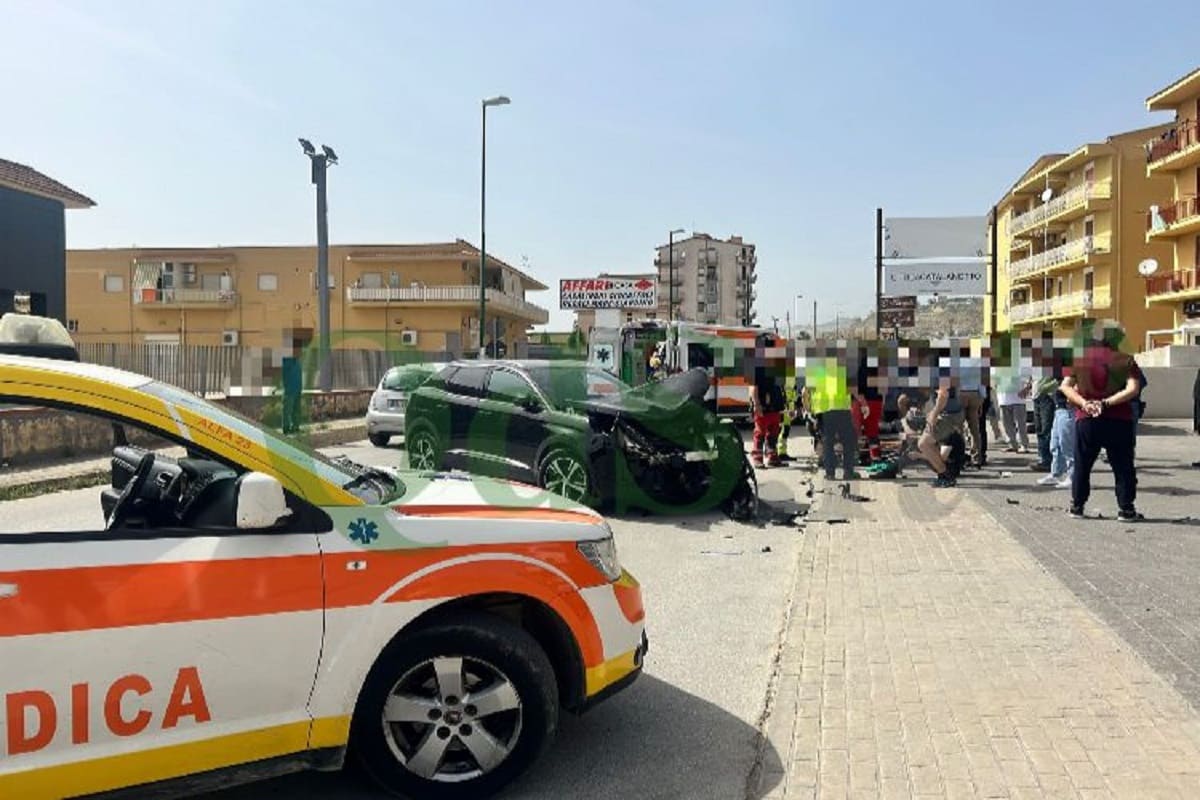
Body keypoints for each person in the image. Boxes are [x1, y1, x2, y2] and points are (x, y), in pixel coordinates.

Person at [1059, 320, 1143, 522]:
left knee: (1082, 465)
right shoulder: (1125, 360)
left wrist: (1085, 403)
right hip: (1118, 419)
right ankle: (1126, 509)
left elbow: (1065, 386)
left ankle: (1077, 506)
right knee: (1123, 466)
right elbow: (1133, 389)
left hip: (1087, 420)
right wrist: (1106, 403)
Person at [804, 355, 861, 481]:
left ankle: (830, 473)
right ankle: (848, 472)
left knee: (827, 442)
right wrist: (862, 403)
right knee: (848, 441)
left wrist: (809, 410)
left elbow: (806, 392)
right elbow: (852, 389)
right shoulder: (842, 369)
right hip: (842, 410)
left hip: (823, 412)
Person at [917, 373, 967, 487]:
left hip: (947, 415)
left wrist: (934, 414)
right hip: (952, 413)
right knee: (932, 445)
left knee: (924, 444)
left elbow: (943, 395)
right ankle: (943, 474)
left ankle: (946, 474)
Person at [1037, 377, 1073, 489]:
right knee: (1055, 445)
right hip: (1059, 409)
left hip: (1068, 410)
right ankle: (1056, 473)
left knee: (1068, 446)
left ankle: (1073, 477)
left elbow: (1044, 388)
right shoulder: (1060, 373)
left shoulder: (1074, 372)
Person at [749, 364, 785, 468]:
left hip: (775, 405)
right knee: (760, 432)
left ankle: (772, 457)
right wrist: (756, 404)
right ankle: (757, 459)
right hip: (763, 405)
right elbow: (752, 386)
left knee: (774, 432)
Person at [1030, 373, 1057, 472]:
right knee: (1039, 429)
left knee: (1046, 429)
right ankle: (1042, 458)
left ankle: (1047, 461)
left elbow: (1059, 379)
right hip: (1036, 397)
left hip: (1047, 397)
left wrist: (1044, 389)